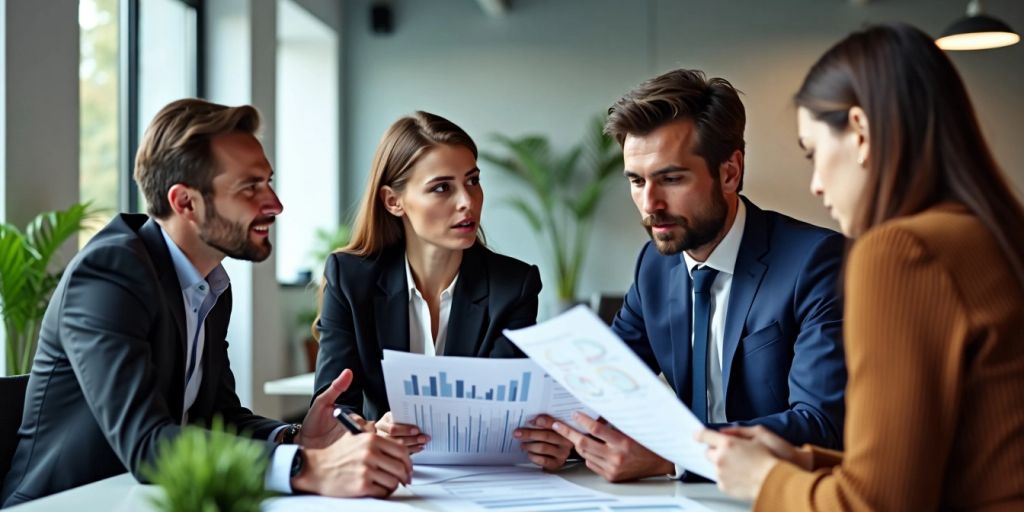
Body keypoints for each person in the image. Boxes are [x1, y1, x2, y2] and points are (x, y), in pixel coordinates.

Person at [1, 99, 412, 507]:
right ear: (185, 203)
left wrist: (295, 438)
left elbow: (219, 416)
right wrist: (305, 467)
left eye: (268, 182)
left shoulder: (209, 285)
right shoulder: (109, 275)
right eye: (251, 187)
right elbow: (146, 443)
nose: (275, 204)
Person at [697, 23, 1024, 510]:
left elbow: (877, 505)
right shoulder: (992, 236)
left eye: (814, 153)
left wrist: (764, 482)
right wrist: (803, 463)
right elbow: (948, 467)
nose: (815, 185)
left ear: (861, 133)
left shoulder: (899, 252)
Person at [542, 69, 848, 482]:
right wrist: (566, 432)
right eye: (636, 181)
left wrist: (674, 456)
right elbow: (603, 384)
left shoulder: (816, 262)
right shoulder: (654, 265)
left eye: (671, 179)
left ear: (729, 172)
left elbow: (821, 424)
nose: (650, 204)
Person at [313, 111, 572, 469]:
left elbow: (505, 418)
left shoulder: (513, 286)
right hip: (387, 480)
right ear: (393, 201)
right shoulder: (350, 278)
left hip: (486, 483)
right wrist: (370, 431)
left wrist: (555, 444)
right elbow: (333, 408)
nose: (467, 201)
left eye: (473, 181)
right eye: (442, 187)